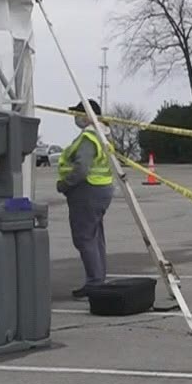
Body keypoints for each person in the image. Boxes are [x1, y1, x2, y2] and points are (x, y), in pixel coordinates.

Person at [57, 99, 115, 297]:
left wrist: (65, 184)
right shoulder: (104, 135)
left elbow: (82, 168)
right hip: (102, 188)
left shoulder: (89, 137)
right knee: (95, 236)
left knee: (84, 237)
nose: (75, 117)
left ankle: (95, 282)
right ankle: (98, 278)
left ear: (88, 115)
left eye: (78, 113)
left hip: (87, 190)